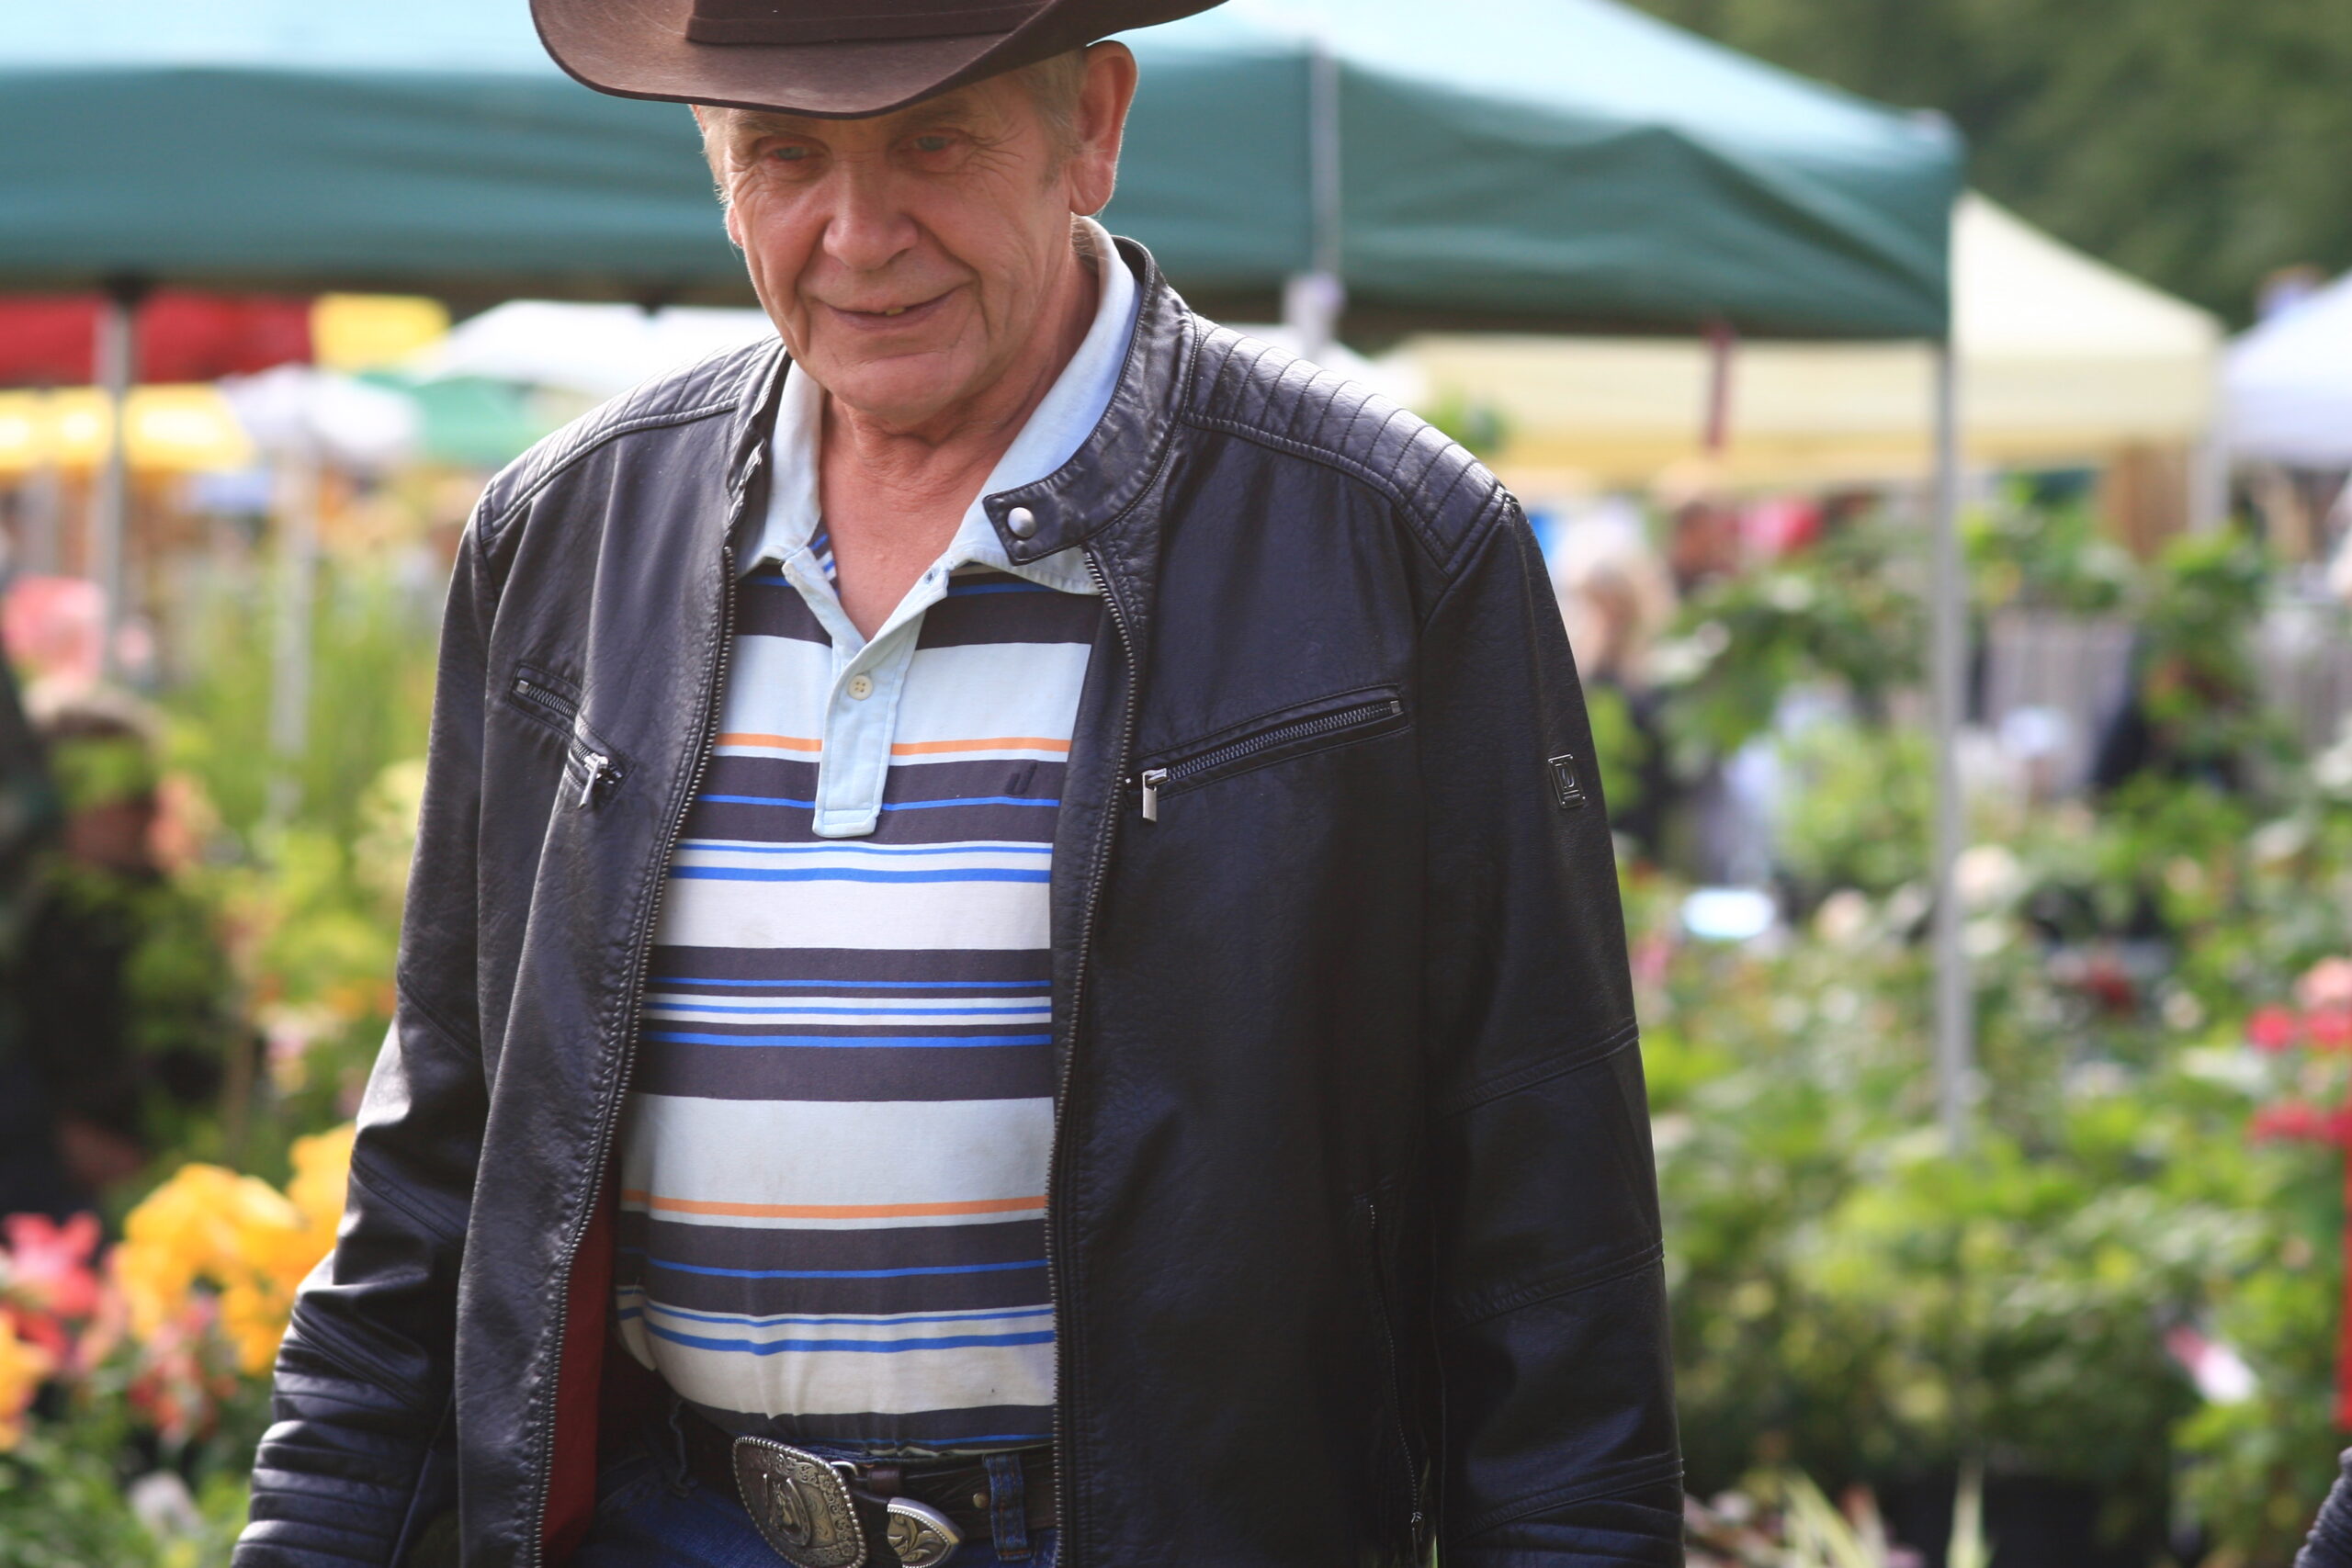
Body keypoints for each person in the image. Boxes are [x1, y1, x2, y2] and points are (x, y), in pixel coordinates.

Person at [234, 4, 1680, 1565]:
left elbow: (1549, 1246)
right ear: (718, 169)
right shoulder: (571, 535)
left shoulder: (1387, 542)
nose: (860, 234)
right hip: (677, 1528)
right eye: (786, 156)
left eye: (935, 141)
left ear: (1091, 127)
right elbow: (440, 1169)